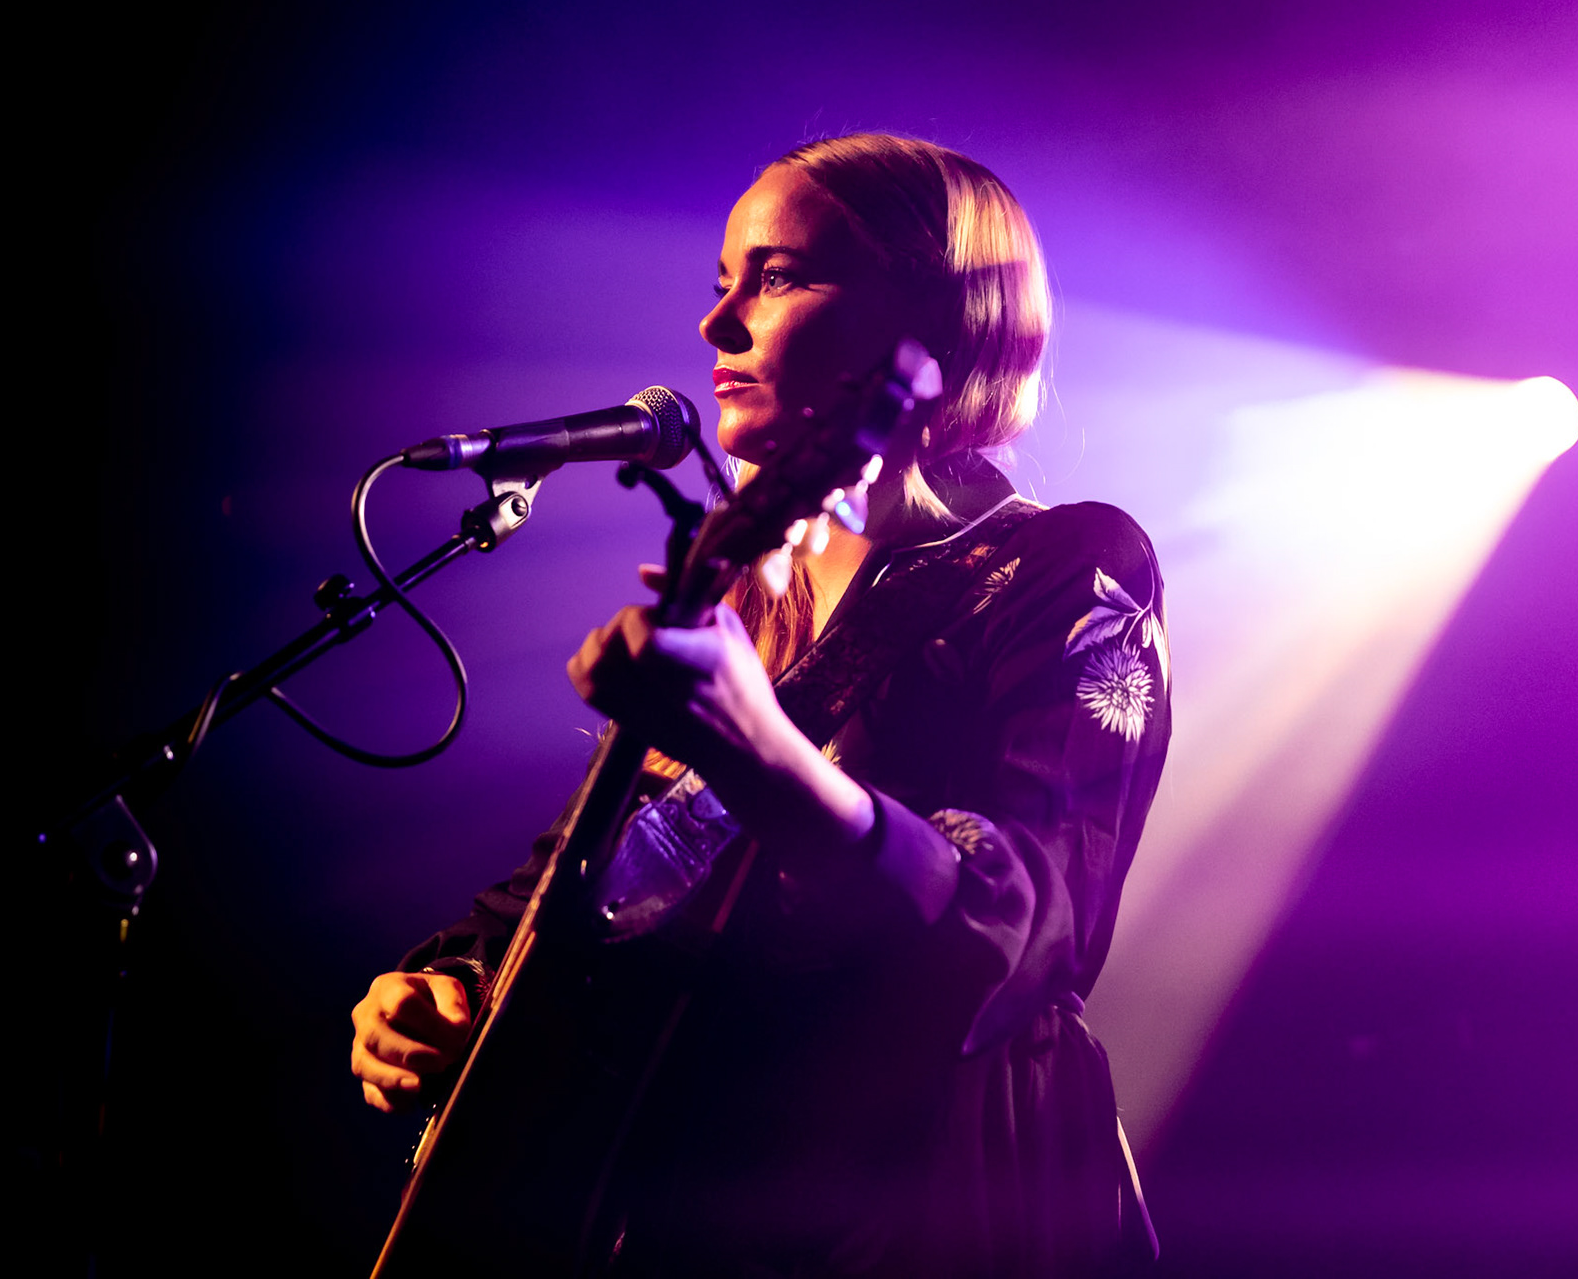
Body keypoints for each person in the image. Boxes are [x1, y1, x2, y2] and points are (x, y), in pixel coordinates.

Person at [351, 133, 1168, 1276]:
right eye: (724, 280)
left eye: (777, 277)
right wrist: (445, 983)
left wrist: (757, 750)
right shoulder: (743, 590)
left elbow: (1028, 925)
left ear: (932, 320)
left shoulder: (1065, 564)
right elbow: (586, 879)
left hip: (937, 1210)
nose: (716, 324)